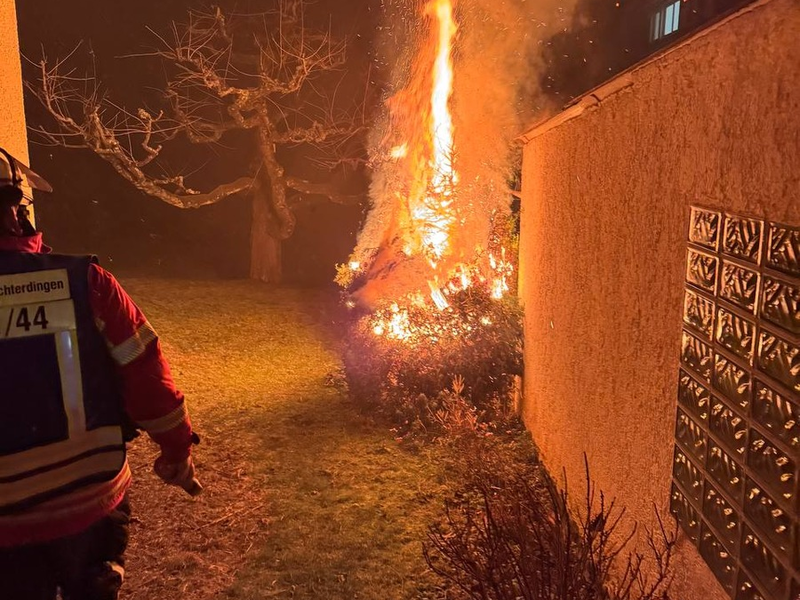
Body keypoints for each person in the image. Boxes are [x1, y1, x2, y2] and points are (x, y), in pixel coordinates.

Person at [0, 146, 202, 600]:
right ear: (19, 208)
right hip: (89, 506)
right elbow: (146, 375)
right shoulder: (86, 282)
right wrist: (176, 452)